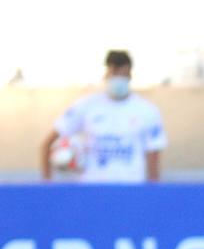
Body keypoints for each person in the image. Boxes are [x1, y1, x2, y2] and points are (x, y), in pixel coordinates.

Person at [39, 50, 166, 183]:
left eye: (122, 74)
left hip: (131, 187)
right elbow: (48, 143)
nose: (118, 78)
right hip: (93, 187)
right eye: (114, 73)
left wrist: (154, 191)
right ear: (106, 74)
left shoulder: (147, 110)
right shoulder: (86, 106)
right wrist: (46, 186)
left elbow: (153, 154)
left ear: (130, 75)